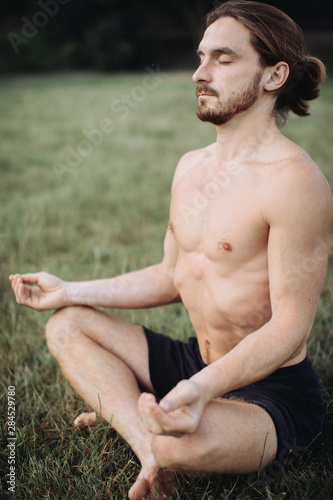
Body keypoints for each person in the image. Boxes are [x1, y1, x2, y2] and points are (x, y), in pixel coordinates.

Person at [9, 1, 333, 498]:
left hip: (271, 391)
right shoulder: (189, 167)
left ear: (274, 76)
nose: (200, 74)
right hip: (193, 364)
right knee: (67, 323)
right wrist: (68, 289)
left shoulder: (296, 183)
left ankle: (156, 428)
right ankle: (149, 444)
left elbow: (291, 328)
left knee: (186, 444)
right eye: (201, 57)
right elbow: (170, 275)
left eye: (223, 60)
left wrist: (202, 391)